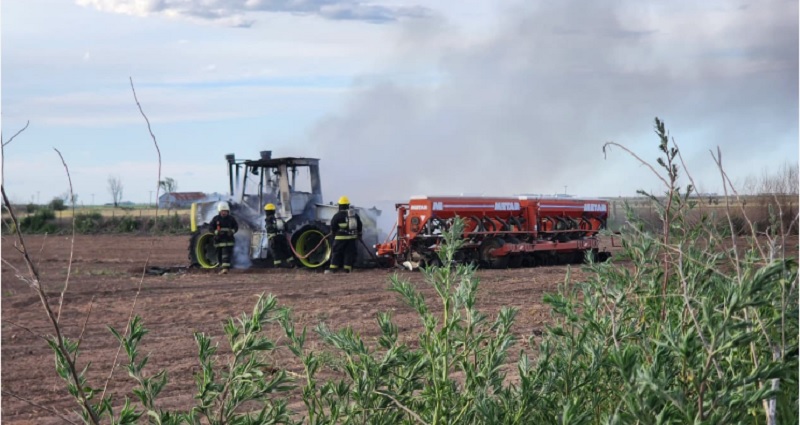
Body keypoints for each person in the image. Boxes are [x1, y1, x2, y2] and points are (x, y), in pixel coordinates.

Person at [326, 195, 362, 274]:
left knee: (336, 253)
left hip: (340, 239)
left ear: (339, 206)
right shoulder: (354, 215)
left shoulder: (337, 216)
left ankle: (333, 269)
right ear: (348, 205)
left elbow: (333, 227)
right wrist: (359, 234)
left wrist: (333, 236)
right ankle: (347, 269)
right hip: (352, 238)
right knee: (349, 253)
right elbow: (359, 225)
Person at [209, 201, 238, 274]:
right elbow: (210, 228)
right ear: (219, 211)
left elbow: (236, 227)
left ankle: (225, 269)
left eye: (225, 211)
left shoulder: (231, 219)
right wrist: (216, 232)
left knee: (226, 255)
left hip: (228, 240)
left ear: (228, 211)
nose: (224, 213)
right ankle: (222, 267)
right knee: (219, 255)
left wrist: (232, 231)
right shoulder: (216, 219)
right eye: (223, 211)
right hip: (219, 241)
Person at [264, 203, 295, 268]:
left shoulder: (268, 219)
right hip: (282, 237)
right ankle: (292, 263)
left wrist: (272, 237)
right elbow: (286, 227)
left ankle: (278, 266)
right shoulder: (278, 218)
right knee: (285, 250)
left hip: (274, 238)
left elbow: (269, 228)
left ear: (267, 211)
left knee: (275, 252)